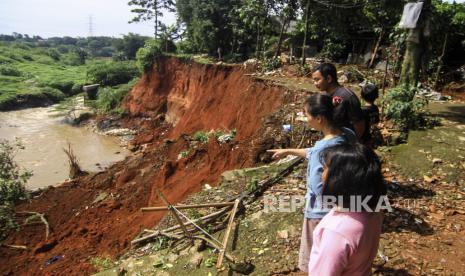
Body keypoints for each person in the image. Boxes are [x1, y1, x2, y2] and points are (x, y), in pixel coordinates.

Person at [267, 94, 356, 273]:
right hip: (345, 206)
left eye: (307, 115)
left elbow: (317, 187)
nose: (305, 119)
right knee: (335, 257)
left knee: (314, 259)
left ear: (319, 118)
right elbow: (313, 151)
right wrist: (288, 151)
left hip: (318, 211)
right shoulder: (347, 135)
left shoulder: (321, 149)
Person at [308, 143, 387, 275]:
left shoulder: (336, 232)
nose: (322, 172)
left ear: (340, 178)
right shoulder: (373, 209)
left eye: (326, 167)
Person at [311, 63, 365, 139]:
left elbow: (359, 124)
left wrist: (353, 143)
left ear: (329, 79)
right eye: (314, 80)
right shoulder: (325, 95)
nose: (315, 83)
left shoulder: (347, 96)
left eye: (317, 80)